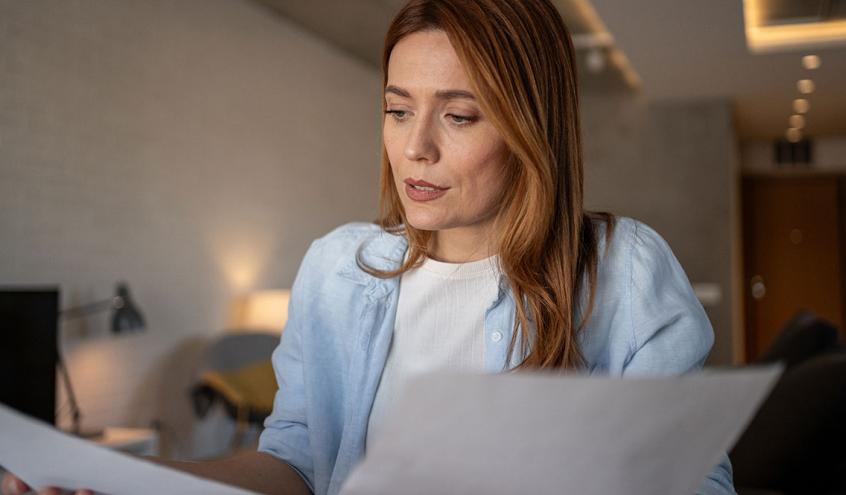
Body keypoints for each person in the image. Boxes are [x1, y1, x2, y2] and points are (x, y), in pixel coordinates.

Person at [2, 0, 736, 494]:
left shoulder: (621, 269)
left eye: (459, 115)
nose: (413, 148)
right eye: (396, 109)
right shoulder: (337, 268)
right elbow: (293, 461)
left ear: (528, 128)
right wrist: (129, 479)